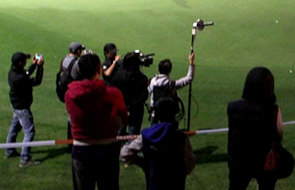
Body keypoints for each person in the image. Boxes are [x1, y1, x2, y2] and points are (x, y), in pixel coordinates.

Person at [65, 53, 128, 190]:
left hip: (82, 149)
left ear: (79, 70)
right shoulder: (113, 93)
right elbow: (123, 117)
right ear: (99, 70)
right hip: (107, 149)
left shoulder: (70, 94)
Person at [227, 67, 286, 190]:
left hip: (238, 159)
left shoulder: (232, 107)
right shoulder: (272, 110)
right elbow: (279, 134)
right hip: (263, 161)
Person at [120, 97, 196, 190]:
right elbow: (190, 161)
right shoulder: (181, 137)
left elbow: (125, 153)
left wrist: (143, 163)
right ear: (173, 115)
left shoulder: (145, 135)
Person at [5, 52, 44, 167]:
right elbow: (37, 81)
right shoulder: (19, 78)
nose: (26, 61)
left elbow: (26, 73)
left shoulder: (13, 71)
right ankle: (24, 159)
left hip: (16, 105)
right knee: (29, 131)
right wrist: (40, 67)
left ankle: (9, 151)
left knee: (14, 128)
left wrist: (34, 65)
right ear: (20, 63)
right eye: (24, 60)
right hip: (22, 108)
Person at [148, 53, 195, 123]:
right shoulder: (171, 85)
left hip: (155, 115)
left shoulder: (151, 82)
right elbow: (189, 79)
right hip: (168, 116)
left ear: (158, 69)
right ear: (170, 71)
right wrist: (191, 62)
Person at [110, 51, 150, 136]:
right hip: (136, 110)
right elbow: (144, 96)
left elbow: (113, 93)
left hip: (120, 109)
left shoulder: (118, 76)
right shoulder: (142, 78)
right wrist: (131, 106)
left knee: (118, 134)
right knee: (133, 136)